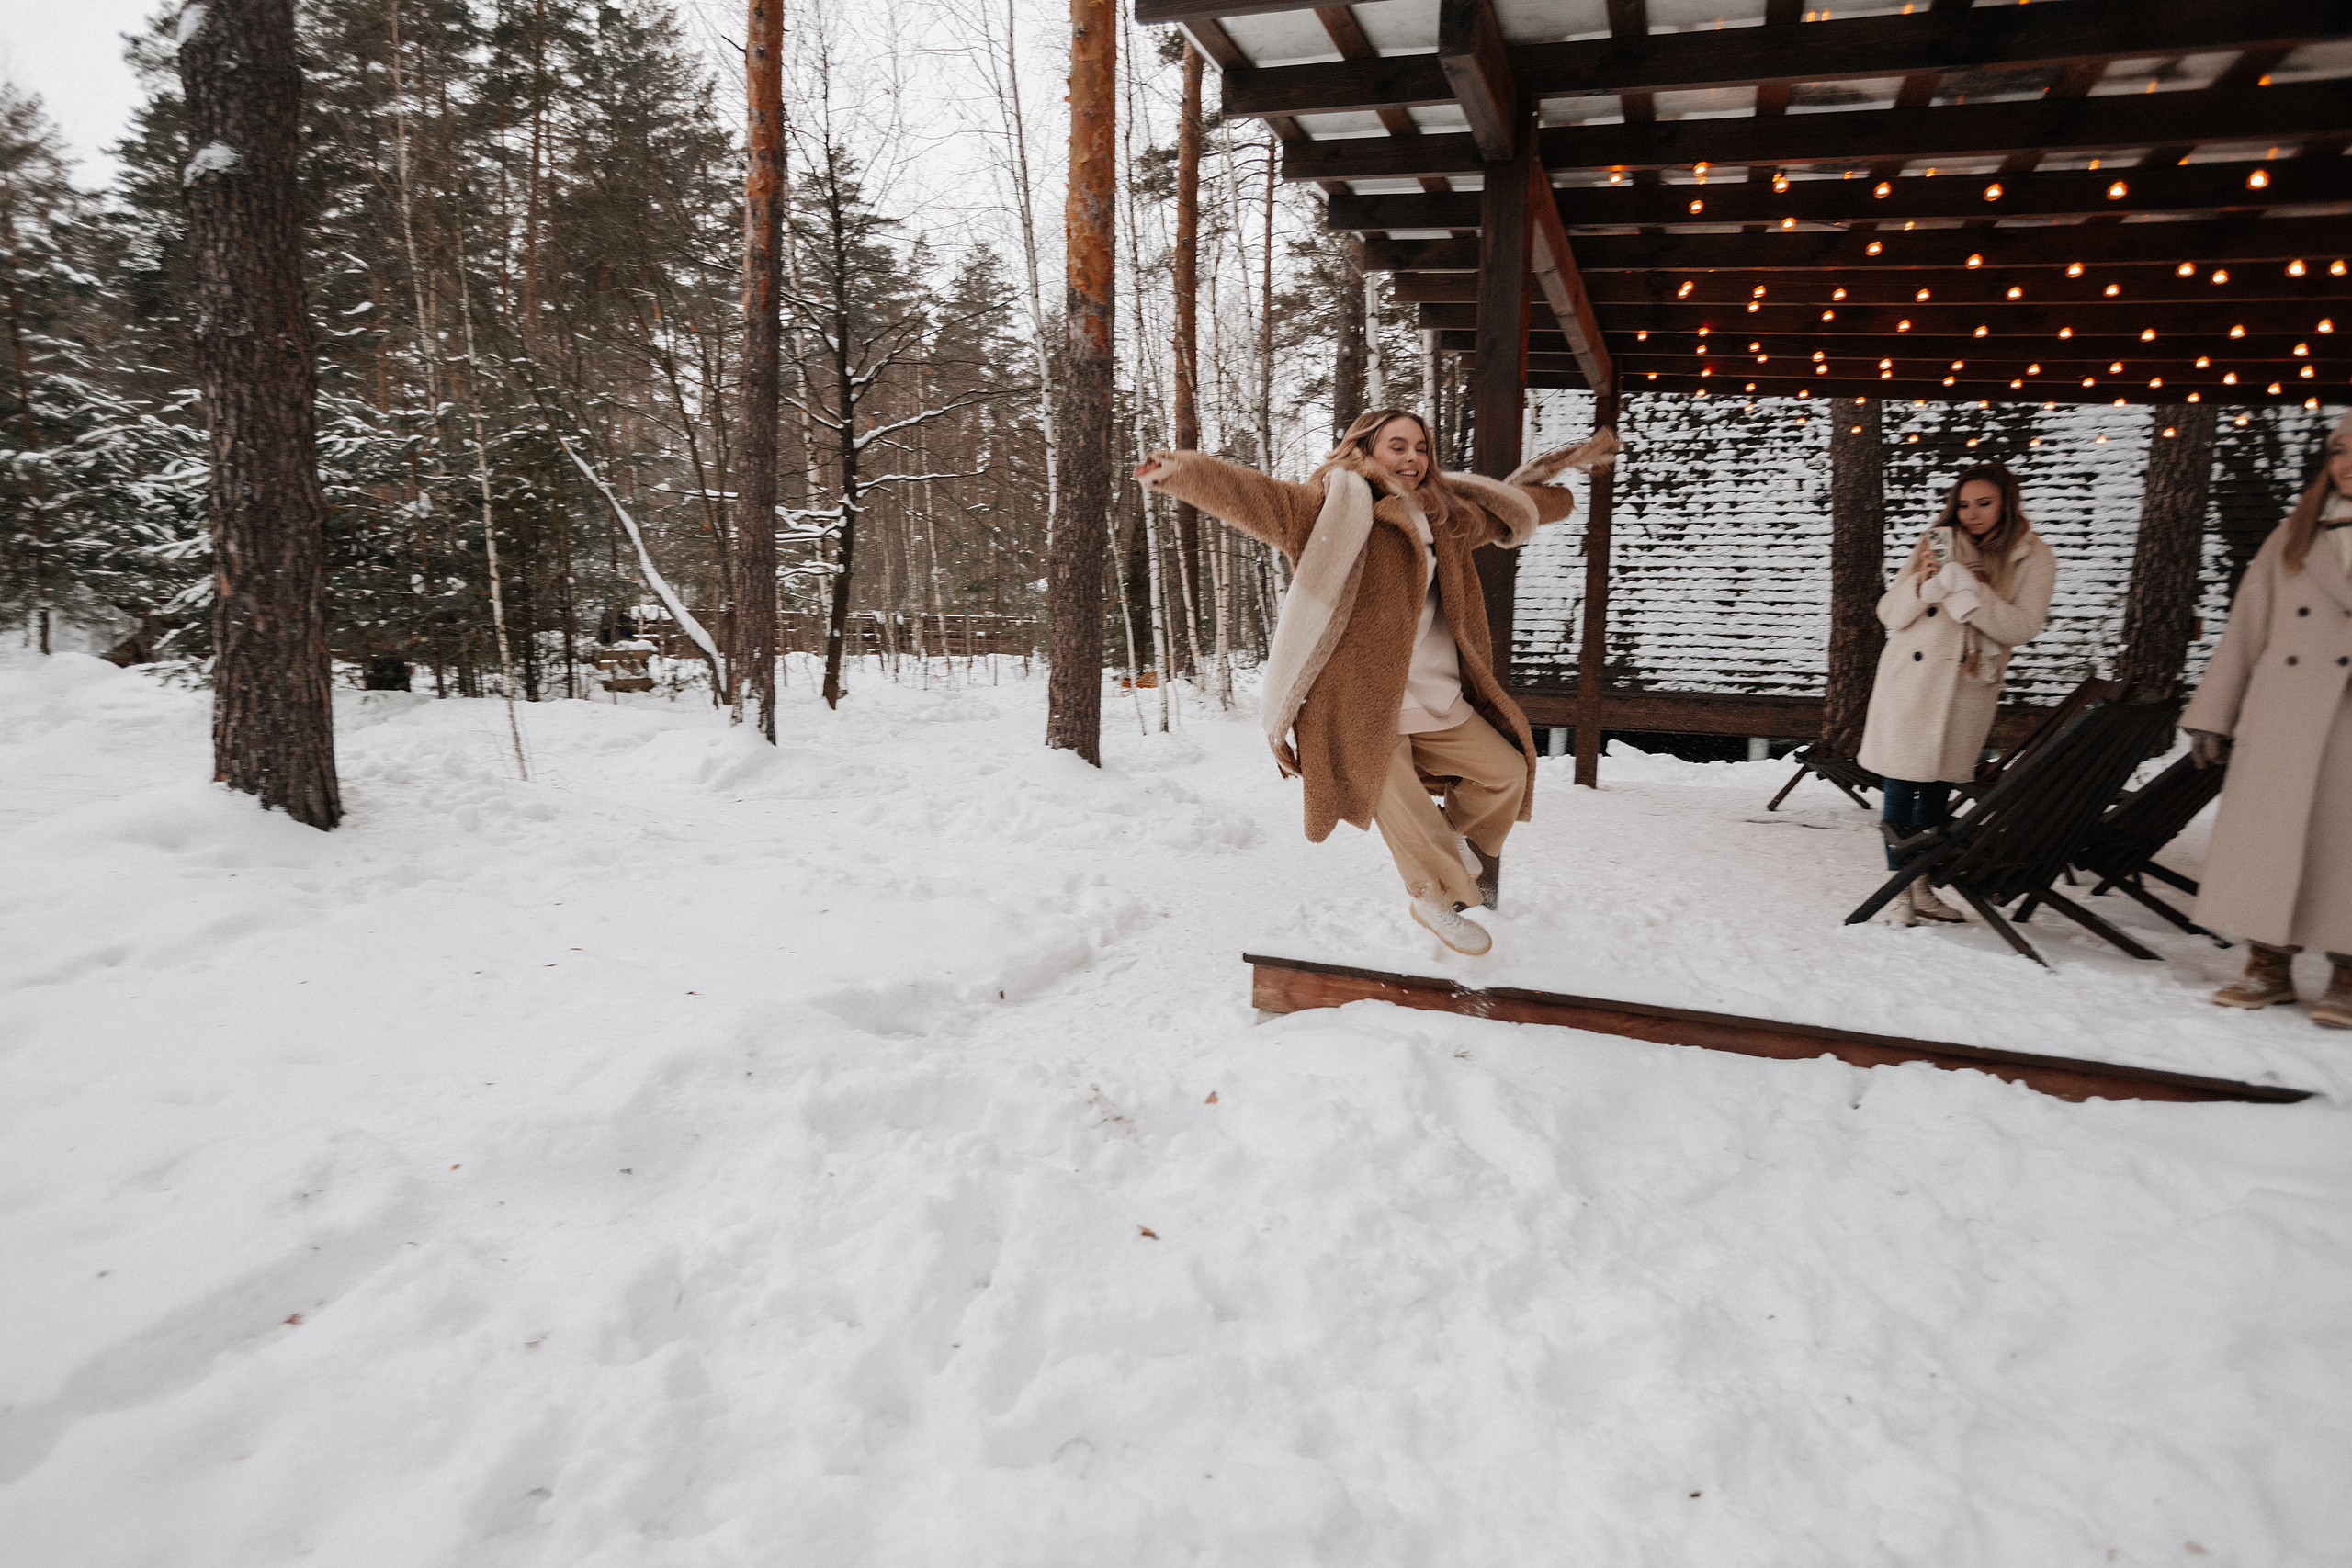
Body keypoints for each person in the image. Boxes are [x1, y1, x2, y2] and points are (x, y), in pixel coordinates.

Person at [1131, 410, 1617, 957]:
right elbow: (1254, 496)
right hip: (1358, 701)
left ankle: (1450, 845)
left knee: (1505, 771)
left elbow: (1503, 511)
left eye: (1421, 448)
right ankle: (1430, 895)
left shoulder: (1445, 516)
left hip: (1434, 692)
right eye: (1397, 447)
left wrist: (1561, 497)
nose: (1412, 458)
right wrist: (1178, 470)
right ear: (1364, 450)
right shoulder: (1329, 512)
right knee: (1398, 799)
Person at [2182, 411, 2352, 1027]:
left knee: (2345, 846)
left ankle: (2347, 969)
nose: (2346, 462)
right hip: (2284, 712)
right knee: (2271, 838)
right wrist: (2213, 713)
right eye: (2338, 449)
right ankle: (2267, 962)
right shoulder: (2295, 533)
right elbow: (2247, 628)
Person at [1857, 462, 2058, 926]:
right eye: (1963, 504)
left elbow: (2023, 627)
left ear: (2006, 503)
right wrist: (1926, 585)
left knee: (1935, 789)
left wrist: (1970, 589)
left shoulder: (2033, 557)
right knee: (1901, 784)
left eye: (1984, 504)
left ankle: (1920, 887)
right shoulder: (1936, 541)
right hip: (1910, 680)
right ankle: (1900, 891)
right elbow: (1889, 612)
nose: (1971, 514)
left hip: (1966, 685)